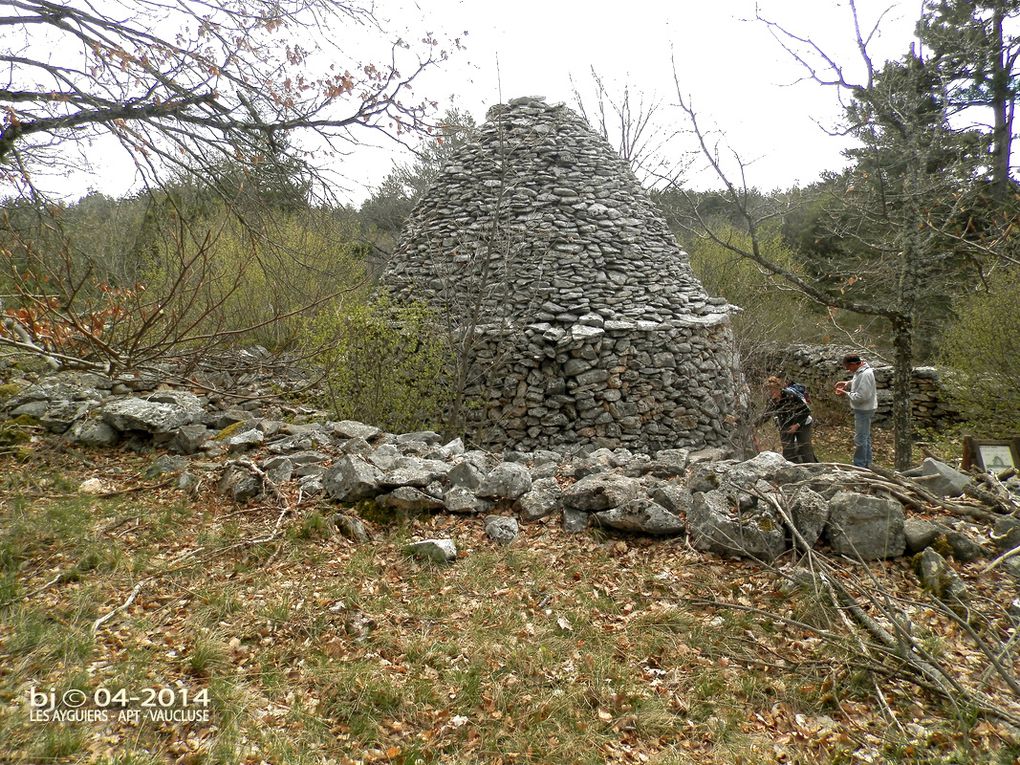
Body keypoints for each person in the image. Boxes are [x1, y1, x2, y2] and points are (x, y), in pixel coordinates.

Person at [834, 353, 877, 468]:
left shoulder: (866, 374)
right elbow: (859, 382)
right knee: (865, 437)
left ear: (854, 364)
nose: (848, 370)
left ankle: (859, 465)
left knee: (860, 439)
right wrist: (847, 383)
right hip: (864, 409)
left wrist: (845, 393)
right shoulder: (861, 371)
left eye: (848, 367)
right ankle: (867, 463)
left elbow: (861, 397)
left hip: (863, 410)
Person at [761, 375, 817, 463]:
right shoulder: (771, 401)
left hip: (803, 422)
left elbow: (806, 411)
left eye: (772, 390)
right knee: (788, 450)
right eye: (768, 391)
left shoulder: (790, 396)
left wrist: (797, 425)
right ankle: (793, 469)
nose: (770, 393)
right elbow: (766, 416)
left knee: (804, 448)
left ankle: (813, 469)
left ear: (778, 389)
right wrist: (754, 425)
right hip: (786, 423)